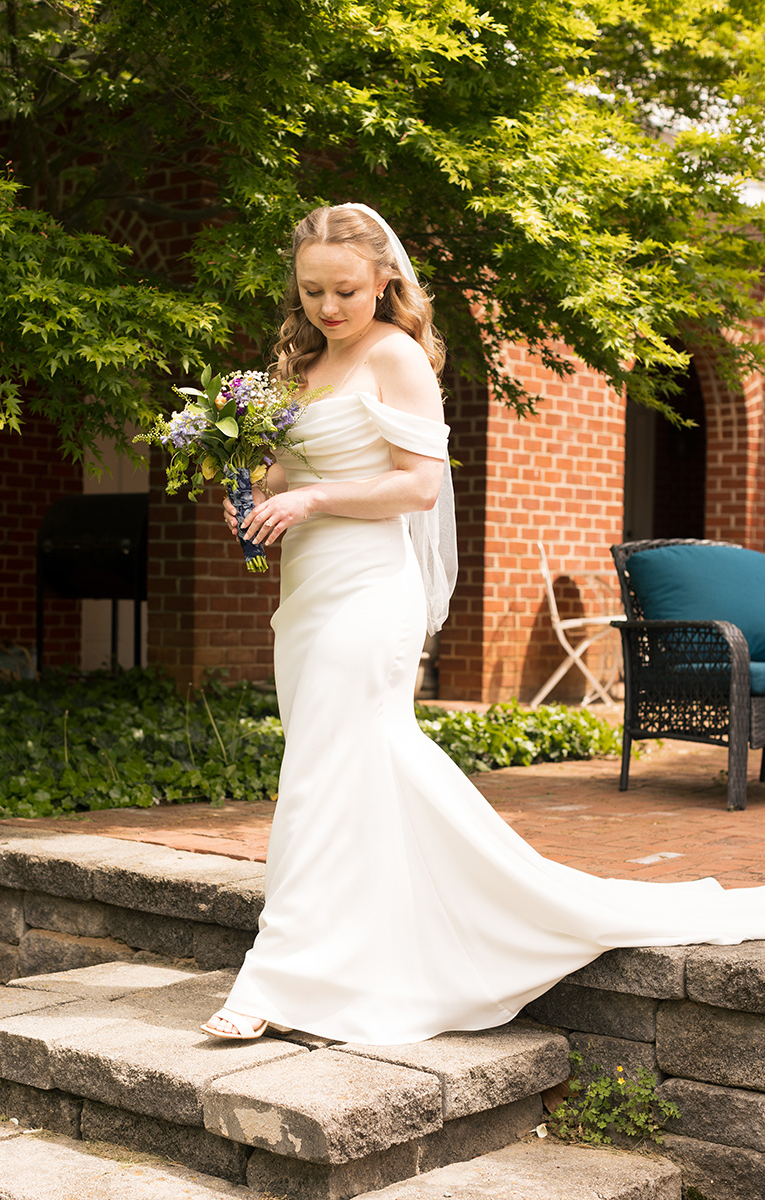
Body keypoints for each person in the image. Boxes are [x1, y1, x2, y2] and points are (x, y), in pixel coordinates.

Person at [202, 202, 765, 1045]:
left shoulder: (396, 358)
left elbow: (417, 487)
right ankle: (391, 936)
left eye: (346, 290)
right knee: (345, 764)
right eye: (313, 291)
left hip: (370, 589)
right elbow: (285, 467)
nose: (328, 308)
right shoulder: (302, 366)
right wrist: (248, 485)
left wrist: (310, 496)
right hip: (308, 591)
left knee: (326, 768)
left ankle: (277, 977)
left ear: (384, 280)